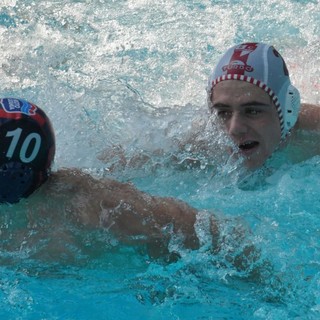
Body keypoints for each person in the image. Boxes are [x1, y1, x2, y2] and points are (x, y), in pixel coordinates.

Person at [206, 42, 320, 169]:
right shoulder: (193, 151)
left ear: (287, 111)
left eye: (252, 111)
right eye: (223, 112)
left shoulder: (313, 136)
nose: (235, 129)